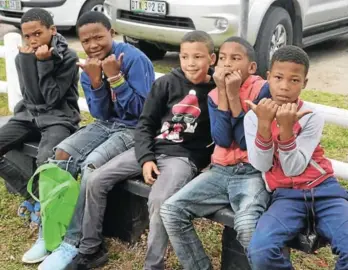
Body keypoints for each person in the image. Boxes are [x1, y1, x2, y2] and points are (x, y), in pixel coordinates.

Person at [66, 30, 217, 270]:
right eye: (185, 56)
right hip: (152, 148)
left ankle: (152, 265)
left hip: (183, 158)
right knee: (95, 179)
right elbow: (145, 124)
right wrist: (146, 158)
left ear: (212, 59)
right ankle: (90, 248)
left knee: (159, 199)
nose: (190, 63)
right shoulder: (166, 83)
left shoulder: (217, 92)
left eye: (198, 57)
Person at [23, 11, 155, 269]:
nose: (93, 45)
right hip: (106, 124)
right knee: (60, 155)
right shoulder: (89, 65)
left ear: (112, 34)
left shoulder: (135, 60)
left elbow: (142, 112)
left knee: (91, 165)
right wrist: (95, 82)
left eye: (99, 37)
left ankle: (73, 242)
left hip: (135, 129)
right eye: (86, 41)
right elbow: (100, 114)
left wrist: (116, 79)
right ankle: (50, 233)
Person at [159, 37, 271, 270]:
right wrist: (223, 93)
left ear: (251, 67)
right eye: (222, 59)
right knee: (171, 210)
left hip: (252, 172)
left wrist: (233, 95)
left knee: (247, 225)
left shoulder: (262, 90)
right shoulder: (213, 95)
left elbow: (243, 141)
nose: (227, 64)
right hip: (220, 171)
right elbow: (221, 138)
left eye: (235, 58)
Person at [245, 45, 348, 270]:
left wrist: (286, 130)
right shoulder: (254, 117)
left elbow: (294, 167)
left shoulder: (311, 116)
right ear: (268, 77)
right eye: (279, 77)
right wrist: (264, 125)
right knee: (261, 251)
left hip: (324, 191)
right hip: (286, 197)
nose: (284, 86)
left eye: (294, 80)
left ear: (304, 83)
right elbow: (261, 164)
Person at [0, 8, 80, 212]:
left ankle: (50, 206)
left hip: (58, 118)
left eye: (38, 33)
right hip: (29, 115)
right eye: (27, 36)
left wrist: (43, 63)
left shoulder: (68, 57)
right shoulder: (23, 57)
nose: (33, 40)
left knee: (46, 159)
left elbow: (52, 99)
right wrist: (28, 62)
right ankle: (33, 195)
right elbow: (31, 98)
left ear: (52, 30)